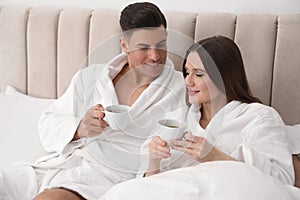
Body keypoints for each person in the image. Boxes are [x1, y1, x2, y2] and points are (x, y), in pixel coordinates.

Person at [0, 2, 186, 200]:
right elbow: (48, 123)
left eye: (161, 45)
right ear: (124, 45)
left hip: (106, 180)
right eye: (143, 47)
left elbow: (190, 145)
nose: (155, 56)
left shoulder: (181, 89)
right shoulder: (90, 78)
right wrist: (80, 128)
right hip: (61, 166)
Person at [143, 35, 294, 184]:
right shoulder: (177, 120)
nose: (188, 81)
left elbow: (283, 180)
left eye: (199, 74)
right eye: (187, 72)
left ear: (224, 77)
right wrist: (154, 161)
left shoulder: (258, 117)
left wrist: (215, 157)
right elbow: (147, 188)